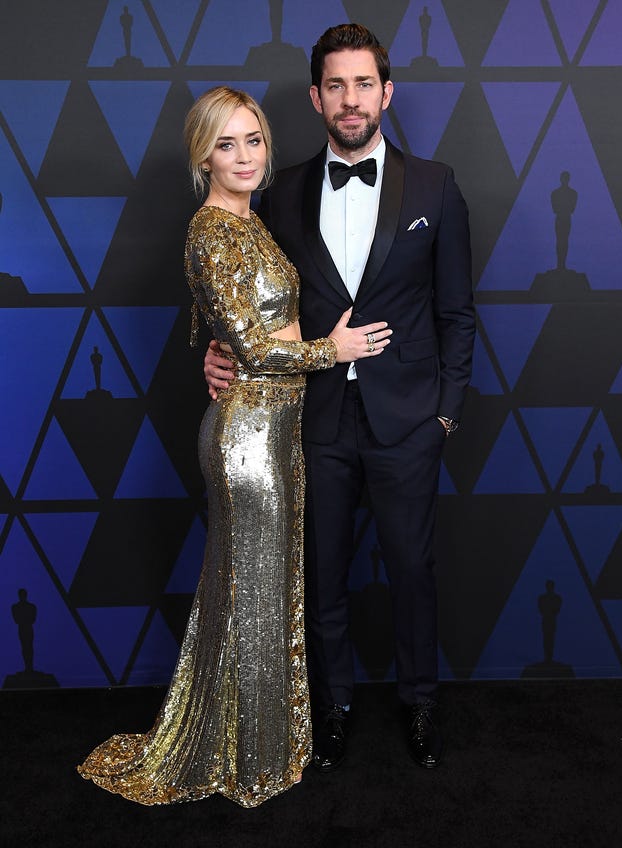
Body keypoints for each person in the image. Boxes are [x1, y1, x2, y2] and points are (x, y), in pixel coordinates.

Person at [77, 86, 391, 808]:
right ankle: (248, 761)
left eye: (253, 140)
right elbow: (253, 343)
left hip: (277, 430)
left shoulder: (250, 226)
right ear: (202, 155)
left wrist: (212, 347)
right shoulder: (211, 229)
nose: (244, 156)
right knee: (253, 594)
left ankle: (258, 744)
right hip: (248, 438)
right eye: (227, 143)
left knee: (262, 592)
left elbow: (220, 322)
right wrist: (329, 348)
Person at [206, 24, 475, 773]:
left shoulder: (436, 186)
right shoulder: (280, 189)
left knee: (412, 568)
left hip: (408, 419)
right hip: (312, 416)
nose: (350, 100)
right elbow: (244, 297)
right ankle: (333, 707)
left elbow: (457, 310)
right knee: (322, 574)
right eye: (336, 85)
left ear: (385, 93)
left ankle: (419, 703)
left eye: (364, 84)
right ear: (316, 96)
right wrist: (217, 348)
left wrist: (444, 411)